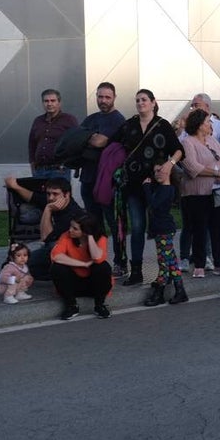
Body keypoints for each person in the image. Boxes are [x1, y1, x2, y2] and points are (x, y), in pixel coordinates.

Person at [109, 89, 183, 286]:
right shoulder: (129, 125)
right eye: (138, 100)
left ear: (153, 102)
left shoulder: (163, 125)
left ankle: (165, 271)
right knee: (138, 226)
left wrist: (169, 165)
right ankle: (137, 271)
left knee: (160, 228)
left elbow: (178, 150)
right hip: (134, 186)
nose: (140, 103)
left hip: (157, 184)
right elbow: (111, 144)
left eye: (144, 100)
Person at [179, 109, 220, 279]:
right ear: (199, 124)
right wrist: (217, 173)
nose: (211, 124)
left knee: (217, 227)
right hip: (196, 193)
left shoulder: (211, 140)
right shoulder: (188, 143)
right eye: (208, 121)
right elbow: (192, 167)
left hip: (216, 192)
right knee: (199, 228)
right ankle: (199, 264)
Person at [80, 82, 126, 274]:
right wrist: (93, 139)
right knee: (92, 224)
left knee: (115, 224)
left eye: (107, 97)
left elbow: (99, 142)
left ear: (114, 97)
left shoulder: (119, 121)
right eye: (100, 97)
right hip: (88, 178)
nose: (103, 101)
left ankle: (120, 262)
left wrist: (91, 139)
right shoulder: (90, 119)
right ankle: (97, 260)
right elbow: (77, 141)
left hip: (109, 182)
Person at [5, 176, 85, 280]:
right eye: (48, 194)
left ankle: (59, 273)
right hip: (53, 247)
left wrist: (48, 210)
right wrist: (14, 186)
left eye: (55, 194)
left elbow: (46, 237)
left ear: (67, 194)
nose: (51, 197)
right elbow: (32, 196)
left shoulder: (72, 215)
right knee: (16, 263)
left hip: (68, 252)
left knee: (30, 260)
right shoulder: (54, 201)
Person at [51, 215, 113, 320]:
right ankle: (71, 305)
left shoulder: (101, 238)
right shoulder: (66, 236)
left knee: (103, 267)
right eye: (71, 226)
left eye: (75, 228)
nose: (70, 230)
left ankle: (99, 305)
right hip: (74, 283)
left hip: (95, 285)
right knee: (57, 268)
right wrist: (83, 264)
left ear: (85, 231)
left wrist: (90, 237)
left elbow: (97, 258)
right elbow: (56, 256)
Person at [142, 162, 187, 306]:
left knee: (163, 262)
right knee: (171, 261)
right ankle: (180, 291)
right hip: (161, 230)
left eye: (161, 170)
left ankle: (159, 293)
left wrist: (146, 188)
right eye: (155, 172)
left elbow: (154, 204)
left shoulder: (167, 189)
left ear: (169, 172)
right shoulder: (161, 188)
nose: (158, 174)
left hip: (164, 231)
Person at [27, 88, 78, 179]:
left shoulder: (69, 120)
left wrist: (72, 163)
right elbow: (32, 144)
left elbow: (77, 141)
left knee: (58, 193)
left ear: (59, 103)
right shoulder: (38, 121)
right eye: (46, 101)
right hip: (39, 170)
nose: (49, 104)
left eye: (53, 101)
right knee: (39, 194)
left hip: (59, 170)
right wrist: (32, 163)